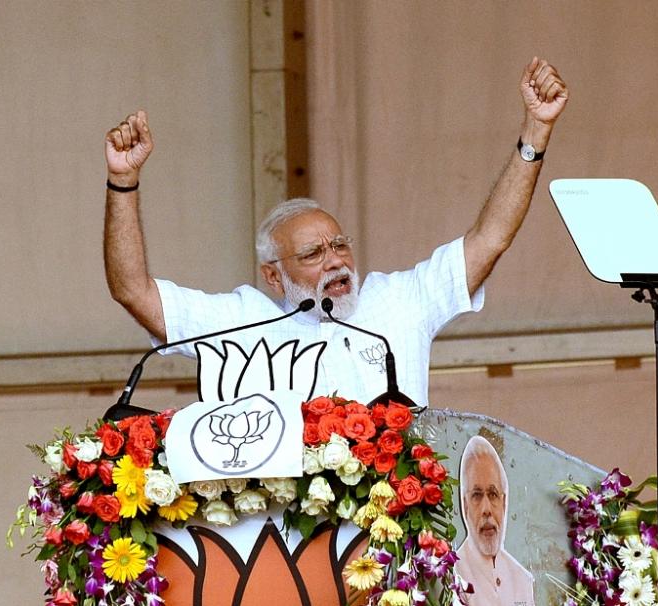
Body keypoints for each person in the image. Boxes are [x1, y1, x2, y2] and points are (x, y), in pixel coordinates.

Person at [103, 57, 568, 405]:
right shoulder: (242, 325)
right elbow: (132, 290)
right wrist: (123, 181)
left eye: (340, 245)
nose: (336, 260)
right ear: (273, 276)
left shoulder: (399, 302)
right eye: (312, 254)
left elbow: (491, 238)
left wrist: (536, 132)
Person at [455, 435, 534, 606]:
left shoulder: (522, 581)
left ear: (504, 503)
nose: (486, 509)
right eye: (476, 495)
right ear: (465, 505)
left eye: (493, 494)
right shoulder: (453, 575)